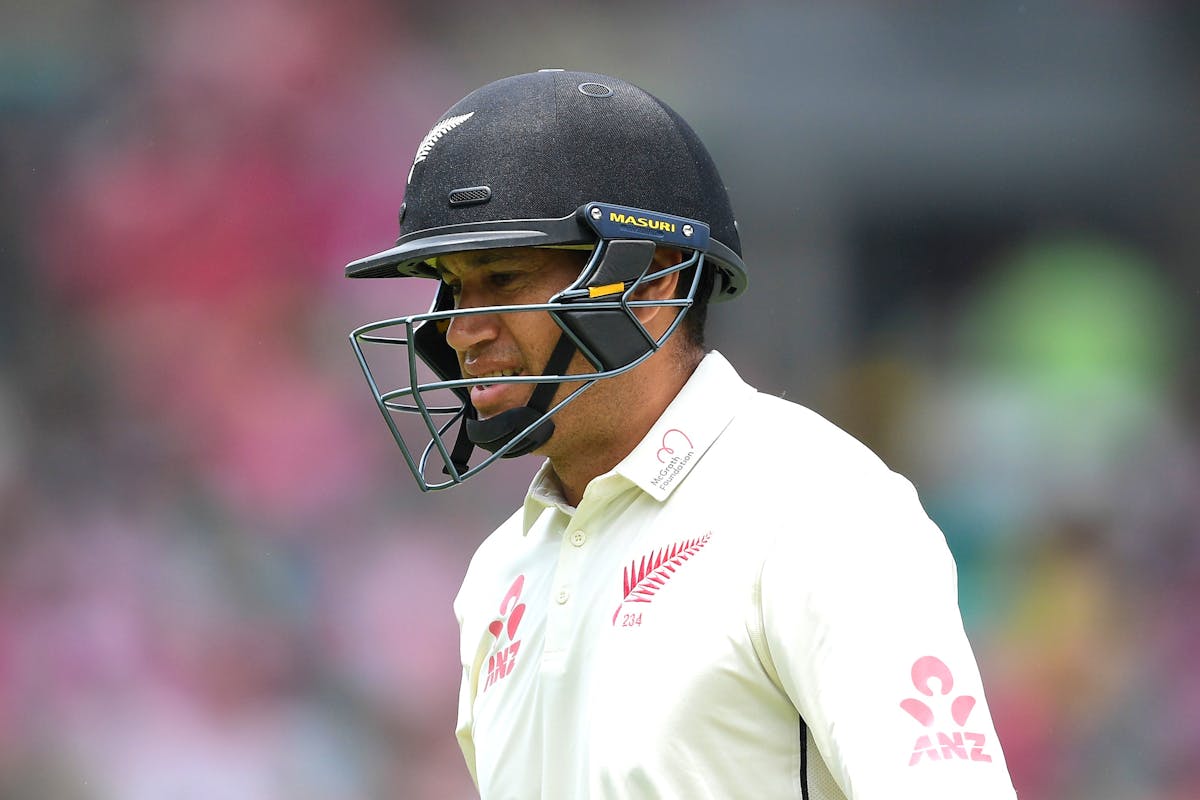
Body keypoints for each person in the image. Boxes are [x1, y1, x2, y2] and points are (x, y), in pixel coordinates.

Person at [343, 69, 1018, 799]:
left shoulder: (818, 509)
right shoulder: (500, 572)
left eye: (501, 278)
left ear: (651, 279)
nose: (461, 331)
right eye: (452, 286)